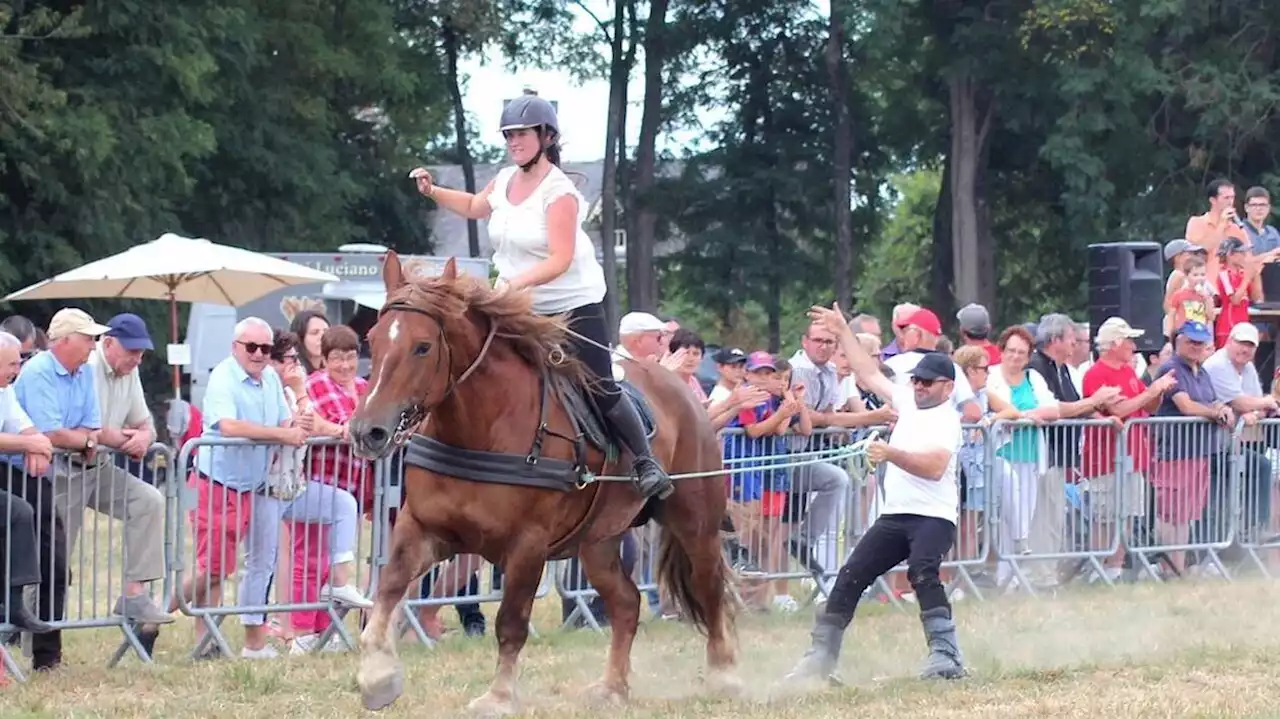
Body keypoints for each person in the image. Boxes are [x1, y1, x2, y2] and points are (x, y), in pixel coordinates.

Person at [408, 91, 671, 500]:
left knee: (600, 383)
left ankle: (645, 461)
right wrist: (433, 192)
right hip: (517, 302)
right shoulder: (506, 179)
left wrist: (513, 284)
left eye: (522, 135)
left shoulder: (559, 192)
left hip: (570, 304)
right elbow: (478, 205)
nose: (514, 142)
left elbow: (561, 259)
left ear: (546, 137)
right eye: (509, 135)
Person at [787, 304, 966, 684]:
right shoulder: (905, 400)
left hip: (933, 516)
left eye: (927, 383)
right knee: (851, 575)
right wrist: (842, 331)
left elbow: (934, 467)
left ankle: (946, 655)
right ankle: (820, 656)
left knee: (923, 573)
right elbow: (867, 372)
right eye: (916, 381)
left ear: (947, 388)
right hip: (895, 514)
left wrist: (891, 454)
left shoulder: (947, 420)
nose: (918, 386)